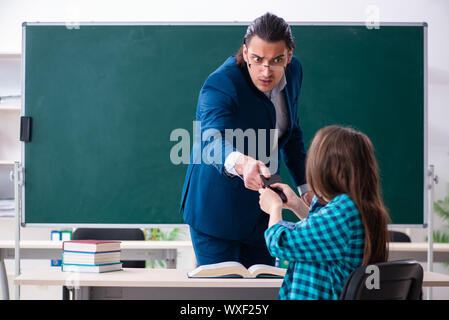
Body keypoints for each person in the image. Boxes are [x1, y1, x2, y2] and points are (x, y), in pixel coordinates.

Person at [180, 12, 314, 268]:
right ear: (244, 51)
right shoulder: (221, 83)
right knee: (223, 298)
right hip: (215, 213)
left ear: (289, 54)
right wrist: (242, 164)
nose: (266, 71)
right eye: (257, 59)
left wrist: (306, 188)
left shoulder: (294, 72)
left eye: (276, 60)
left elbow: (292, 131)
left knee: (261, 293)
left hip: (261, 210)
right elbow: (209, 139)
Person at [259, 125, 391, 299]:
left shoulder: (344, 209)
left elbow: (282, 243)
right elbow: (324, 237)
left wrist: (274, 207)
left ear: (324, 167)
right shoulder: (360, 206)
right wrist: (297, 205)